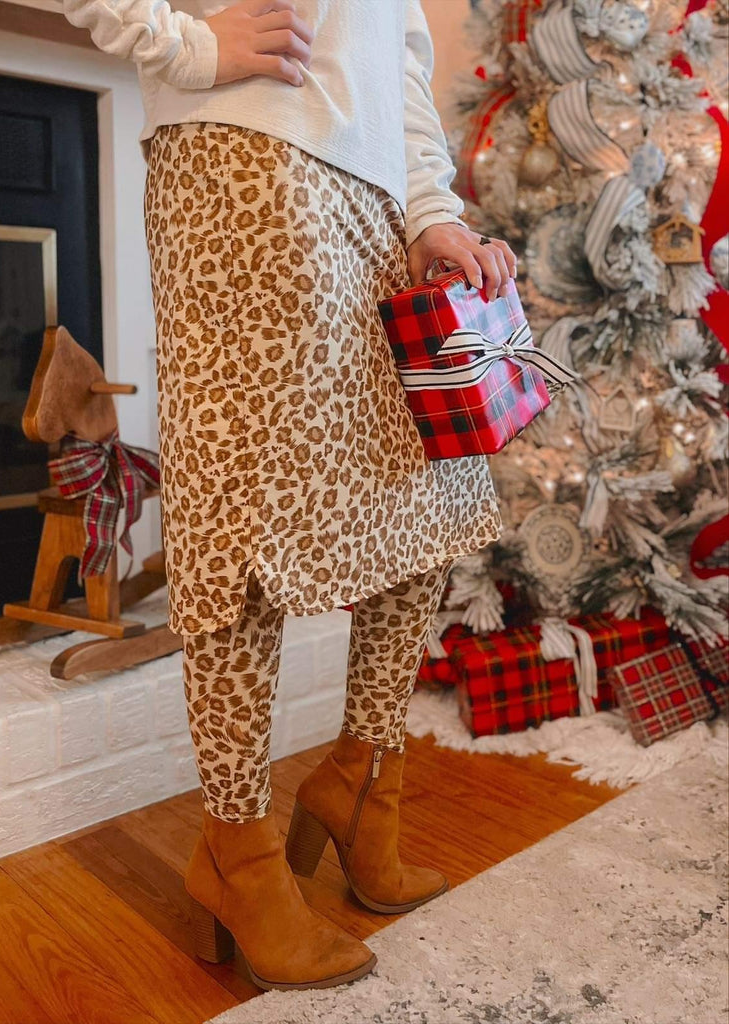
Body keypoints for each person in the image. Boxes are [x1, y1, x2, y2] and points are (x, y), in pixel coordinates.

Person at [64, 0, 515, 992]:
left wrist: (431, 209)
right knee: (244, 516)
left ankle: (361, 780)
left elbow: (399, 51)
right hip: (242, 159)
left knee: (427, 488)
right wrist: (184, 43)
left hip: (379, 195)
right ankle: (237, 848)